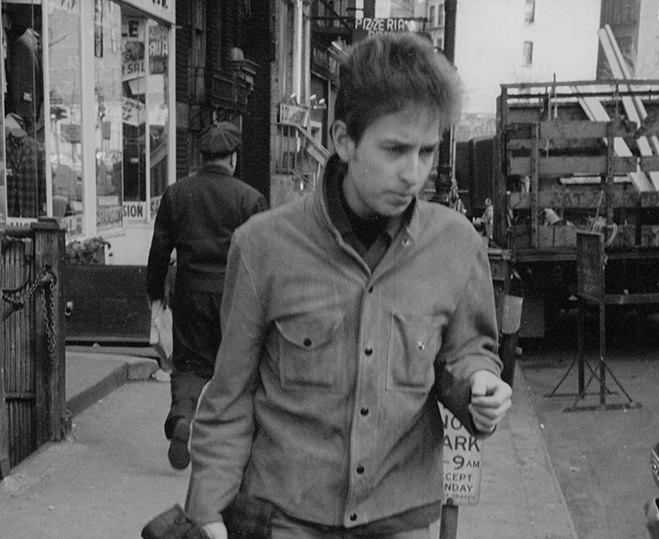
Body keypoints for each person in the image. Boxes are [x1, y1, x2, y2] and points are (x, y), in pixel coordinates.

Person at [185, 33, 512, 539]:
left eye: (427, 151)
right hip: (288, 517)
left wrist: (479, 387)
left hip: (399, 518)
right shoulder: (262, 247)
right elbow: (230, 395)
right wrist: (207, 508)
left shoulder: (456, 247)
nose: (414, 173)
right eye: (395, 149)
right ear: (343, 139)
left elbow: (466, 352)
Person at [146, 121, 268, 470]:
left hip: (190, 292)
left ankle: (183, 417)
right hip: (235, 297)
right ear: (232, 158)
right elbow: (265, 256)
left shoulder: (177, 194)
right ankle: (229, 445)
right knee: (236, 368)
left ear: (201, 158)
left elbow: (159, 249)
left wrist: (156, 292)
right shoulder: (250, 199)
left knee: (189, 364)